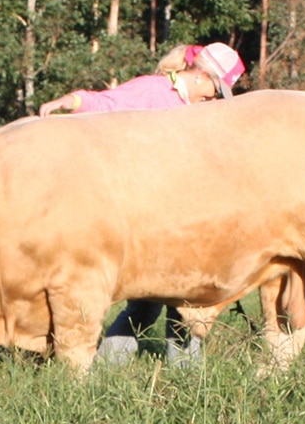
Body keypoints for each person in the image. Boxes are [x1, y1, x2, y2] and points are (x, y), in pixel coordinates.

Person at [39, 42, 245, 366]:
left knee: (185, 304)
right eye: (216, 89)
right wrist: (71, 101)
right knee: (147, 307)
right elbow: (107, 103)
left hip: (186, 225)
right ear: (201, 75)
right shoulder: (153, 91)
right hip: (151, 226)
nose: (215, 98)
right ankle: (112, 374)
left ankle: (180, 381)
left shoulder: (199, 113)